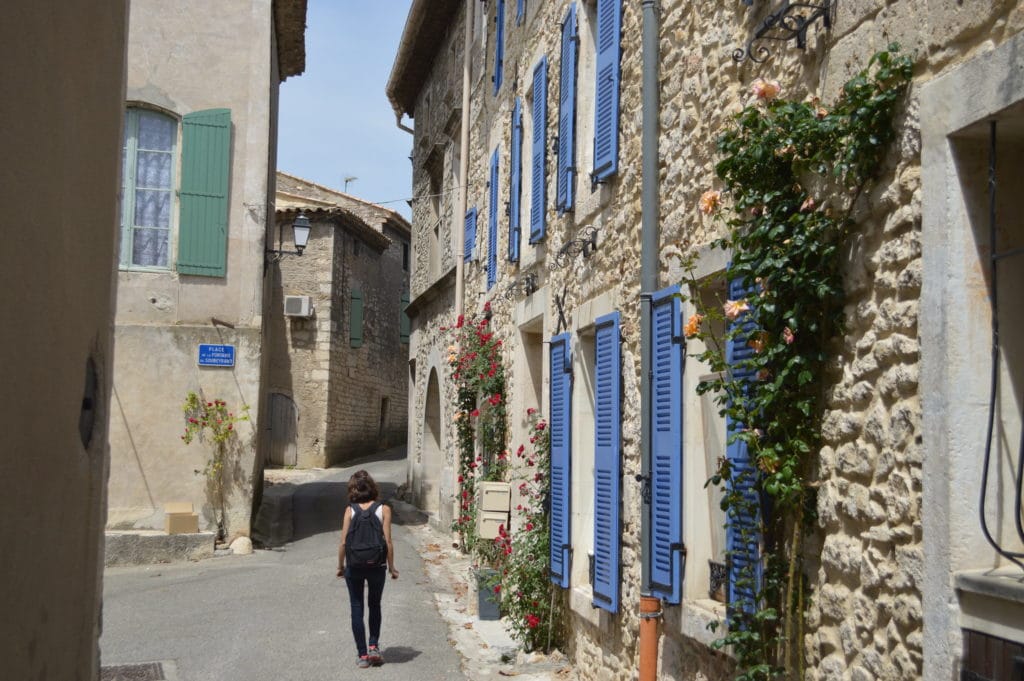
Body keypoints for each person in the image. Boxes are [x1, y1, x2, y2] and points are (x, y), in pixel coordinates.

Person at [337, 470, 399, 668]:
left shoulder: (350, 510)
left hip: (354, 565)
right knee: (375, 605)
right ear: (372, 487)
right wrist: (392, 567)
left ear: (353, 489)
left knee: (357, 608)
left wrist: (340, 566)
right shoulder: (384, 509)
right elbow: (388, 542)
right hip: (377, 566)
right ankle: (374, 647)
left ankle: (362, 655)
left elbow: (343, 542)